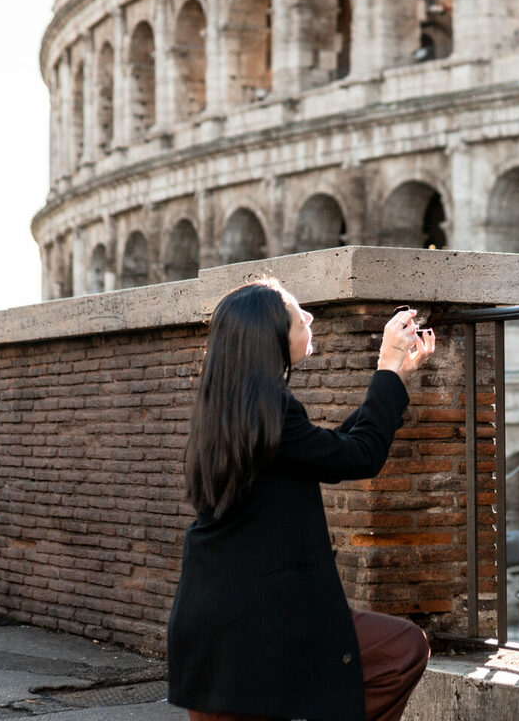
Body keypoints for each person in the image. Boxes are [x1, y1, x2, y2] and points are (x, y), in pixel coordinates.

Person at [166, 280, 435, 721]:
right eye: (296, 315)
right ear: (268, 336)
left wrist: (394, 377)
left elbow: (328, 449)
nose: (309, 318)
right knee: (403, 651)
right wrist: (387, 363)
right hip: (259, 628)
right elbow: (358, 455)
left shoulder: (231, 408)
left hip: (212, 625)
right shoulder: (271, 410)